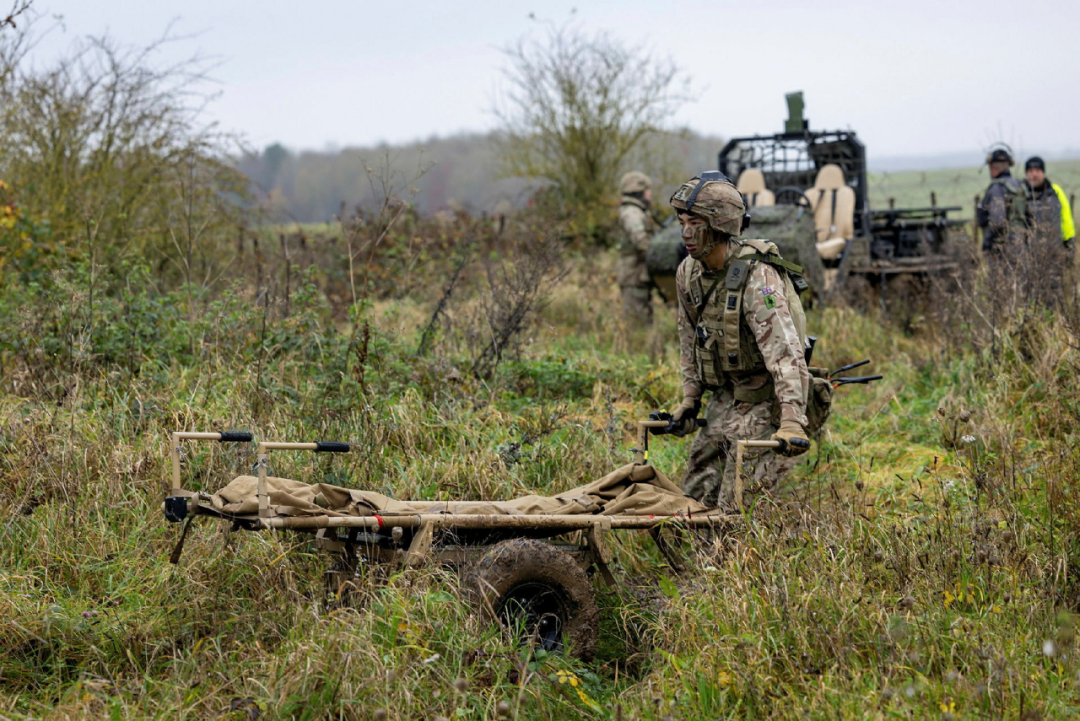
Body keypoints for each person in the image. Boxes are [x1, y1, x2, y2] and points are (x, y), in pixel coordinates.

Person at [664, 172, 811, 510]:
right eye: (682, 222)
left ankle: (740, 560)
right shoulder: (688, 273)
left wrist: (790, 419)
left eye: (696, 223)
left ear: (720, 226)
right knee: (694, 498)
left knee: (737, 506)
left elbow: (785, 353)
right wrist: (690, 400)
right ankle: (699, 563)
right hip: (724, 398)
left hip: (764, 399)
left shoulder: (758, 275)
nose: (686, 232)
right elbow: (689, 340)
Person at [615, 171, 659, 325]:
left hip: (638, 274)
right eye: (647, 190)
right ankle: (636, 347)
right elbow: (640, 241)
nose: (649, 194)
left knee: (643, 318)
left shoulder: (637, 212)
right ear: (638, 191)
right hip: (633, 275)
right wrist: (658, 255)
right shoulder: (632, 213)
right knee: (637, 322)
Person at [976, 145, 1027, 255]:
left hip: (1003, 251)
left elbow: (997, 221)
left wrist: (990, 245)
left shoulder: (996, 188)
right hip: (1022, 245)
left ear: (992, 166)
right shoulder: (1019, 185)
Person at [1022, 156, 1075, 251]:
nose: (1034, 175)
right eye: (1030, 171)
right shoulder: (1018, 195)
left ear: (1043, 173)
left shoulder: (1056, 192)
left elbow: (1066, 219)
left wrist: (1069, 243)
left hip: (1055, 253)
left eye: (1037, 170)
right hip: (1026, 256)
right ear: (1026, 174)